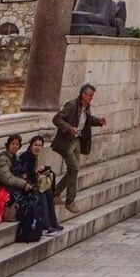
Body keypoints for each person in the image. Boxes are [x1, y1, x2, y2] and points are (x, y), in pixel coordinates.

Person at [51, 82, 104, 213]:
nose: (92, 98)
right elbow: (57, 119)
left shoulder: (86, 107)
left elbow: (86, 120)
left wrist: (98, 121)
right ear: (83, 94)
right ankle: (70, 201)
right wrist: (69, 128)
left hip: (77, 141)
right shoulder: (72, 105)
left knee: (73, 170)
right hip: (66, 141)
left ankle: (55, 193)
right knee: (74, 167)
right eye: (90, 95)